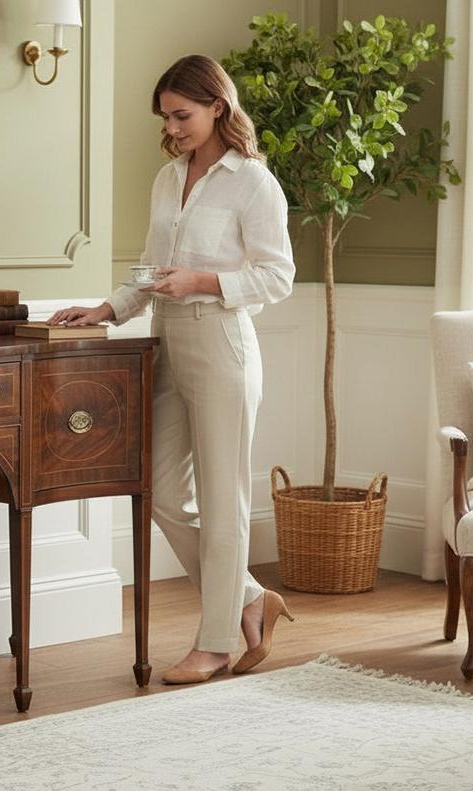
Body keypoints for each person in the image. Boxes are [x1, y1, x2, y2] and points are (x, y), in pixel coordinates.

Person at [49, 54, 296, 685]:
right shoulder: (168, 178)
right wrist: (109, 307)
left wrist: (205, 280)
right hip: (165, 339)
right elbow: (151, 263)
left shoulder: (254, 183)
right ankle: (247, 598)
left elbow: (278, 276)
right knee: (156, 487)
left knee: (223, 500)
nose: (174, 127)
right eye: (167, 116)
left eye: (183, 115)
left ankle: (215, 643)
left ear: (219, 106)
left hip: (221, 345)